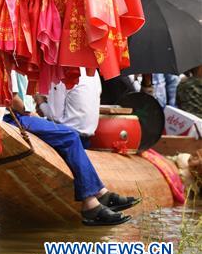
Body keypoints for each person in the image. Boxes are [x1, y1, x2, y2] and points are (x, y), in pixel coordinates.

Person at [8, 91, 139, 226]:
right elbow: (11, 96)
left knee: (70, 135)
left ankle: (100, 195)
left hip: (22, 116)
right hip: (13, 118)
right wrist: (30, 110)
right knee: (70, 136)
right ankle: (92, 202)